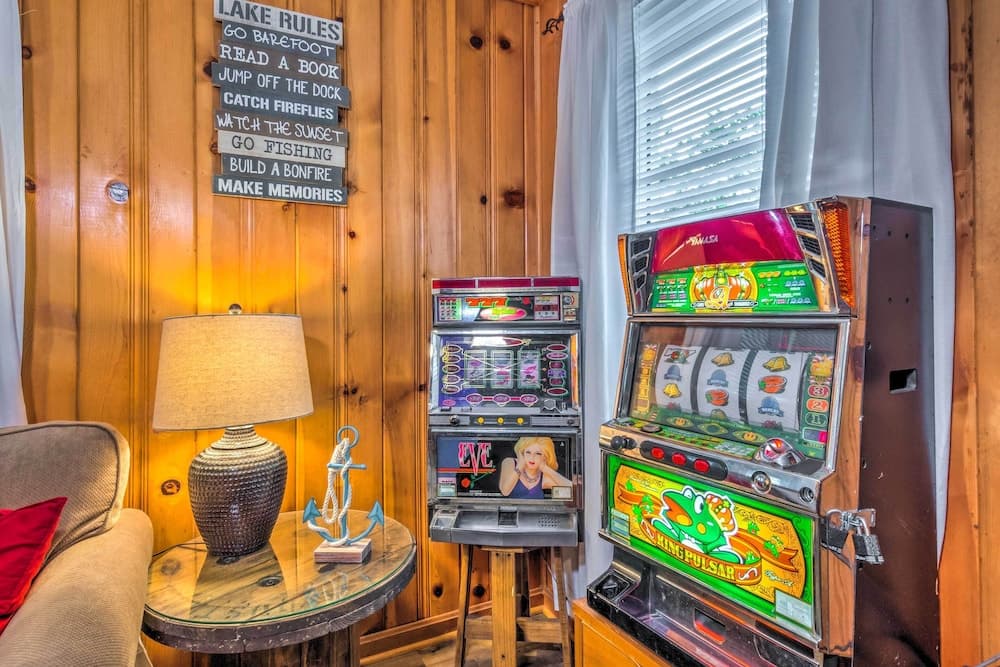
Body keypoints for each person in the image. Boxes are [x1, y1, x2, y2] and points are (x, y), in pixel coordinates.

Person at [498, 436, 572, 499]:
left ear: (545, 457)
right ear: (522, 453)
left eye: (538, 453)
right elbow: (505, 491)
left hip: (538, 514)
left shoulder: (543, 477)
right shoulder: (509, 462)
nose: (532, 457)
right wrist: (520, 465)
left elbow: (572, 491)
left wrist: (545, 468)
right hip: (512, 514)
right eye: (528, 452)